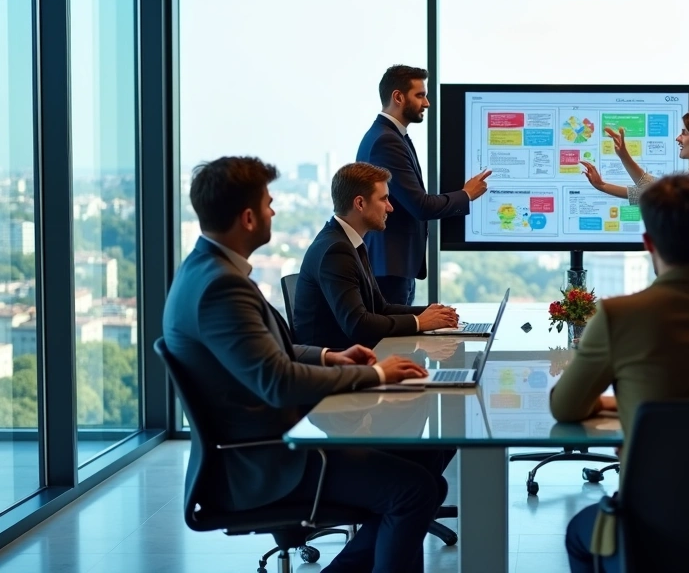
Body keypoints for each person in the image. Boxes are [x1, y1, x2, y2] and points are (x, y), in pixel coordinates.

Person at [163, 156, 442, 573]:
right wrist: (377, 374)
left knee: (422, 472)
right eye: (268, 203)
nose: (274, 211)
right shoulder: (221, 287)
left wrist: (330, 356)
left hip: (273, 445)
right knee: (415, 489)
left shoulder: (207, 270)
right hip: (266, 462)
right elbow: (277, 381)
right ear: (248, 218)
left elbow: (276, 351)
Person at [553, 175, 689, 573]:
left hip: (653, 518)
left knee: (578, 533)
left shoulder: (619, 315)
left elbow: (566, 408)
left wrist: (622, 403)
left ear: (648, 244)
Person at [357, 65, 492, 305]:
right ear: (398, 97)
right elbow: (419, 205)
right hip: (390, 266)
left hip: (396, 265)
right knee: (391, 341)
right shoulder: (386, 141)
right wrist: (466, 195)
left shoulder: (390, 136)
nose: (427, 103)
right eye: (420, 95)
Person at [293, 162, 460, 349]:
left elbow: (380, 308)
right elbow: (358, 325)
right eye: (384, 199)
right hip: (337, 364)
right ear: (360, 203)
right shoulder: (336, 251)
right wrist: (419, 322)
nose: (390, 208)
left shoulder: (349, 241)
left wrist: (433, 313)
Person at [579, 107, 689, 286]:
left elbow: (658, 196)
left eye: (684, 133)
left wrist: (604, 185)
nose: (678, 138)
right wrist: (619, 162)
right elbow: (654, 189)